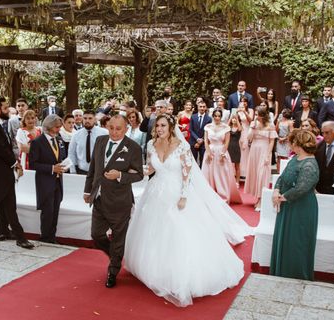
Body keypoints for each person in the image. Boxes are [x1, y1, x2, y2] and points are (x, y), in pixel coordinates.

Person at [124, 114, 250, 306]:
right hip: (155, 192)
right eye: (157, 125)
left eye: (163, 125)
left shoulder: (181, 146)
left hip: (177, 192)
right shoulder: (151, 145)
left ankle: (180, 274)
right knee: (154, 231)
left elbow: (187, 172)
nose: (159, 129)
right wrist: (131, 171)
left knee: (179, 230)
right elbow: (150, 169)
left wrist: (183, 196)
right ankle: (156, 269)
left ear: (171, 126)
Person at [83, 114, 144, 288]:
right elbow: (93, 167)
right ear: (107, 126)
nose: (114, 132)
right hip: (99, 199)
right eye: (111, 128)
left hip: (120, 201)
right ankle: (115, 255)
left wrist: (120, 176)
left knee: (118, 238)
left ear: (126, 129)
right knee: (96, 234)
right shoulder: (100, 141)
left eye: (118, 129)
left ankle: (113, 271)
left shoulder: (133, 148)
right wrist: (88, 190)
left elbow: (139, 174)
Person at [270, 129, 320, 280]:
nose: (289, 144)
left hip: (301, 208)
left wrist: (282, 197)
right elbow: (282, 177)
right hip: (287, 205)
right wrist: (276, 190)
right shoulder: (295, 158)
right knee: (284, 239)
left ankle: (295, 275)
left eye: (291, 142)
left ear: (298, 144)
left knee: (297, 243)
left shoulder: (310, 164)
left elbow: (301, 189)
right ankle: (281, 272)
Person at [0, 98, 34, 249]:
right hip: (0, 172)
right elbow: (0, 149)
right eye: (6, 108)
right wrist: (15, 163)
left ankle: (3, 231)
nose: (9, 110)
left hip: (3, 170)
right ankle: (20, 237)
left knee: (3, 202)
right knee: (9, 205)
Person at [30, 115, 67, 243]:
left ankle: (52, 236)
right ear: (49, 127)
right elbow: (33, 164)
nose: (59, 130)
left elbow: (60, 157)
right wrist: (52, 168)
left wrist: (64, 165)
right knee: (48, 211)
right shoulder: (37, 142)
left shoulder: (59, 140)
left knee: (55, 210)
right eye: (57, 127)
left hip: (58, 182)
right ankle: (45, 237)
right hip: (45, 183)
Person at [202, 109, 242, 203]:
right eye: (215, 116)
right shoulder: (207, 127)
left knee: (221, 175)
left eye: (219, 116)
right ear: (212, 116)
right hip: (210, 151)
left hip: (221, 151)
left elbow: (227, 142)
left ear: (221, 117)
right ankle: (209, 195)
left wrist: (223, 153)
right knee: (208, 174)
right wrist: (208, 152)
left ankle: (223, 196)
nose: (217, 118)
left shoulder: (226, 127)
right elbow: (205, 141)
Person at [245, 107, 277, 210]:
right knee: (255, 174)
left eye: (257, 114)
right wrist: (252, 127)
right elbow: (249, 138)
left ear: (262, 115)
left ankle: (261, 199)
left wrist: (268, 155)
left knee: (262, 174)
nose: (255, 116)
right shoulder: (254, 124)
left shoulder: (270, 125)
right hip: (254, 150)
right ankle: (258, 198)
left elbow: (272, 141)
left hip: (265, 150)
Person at [68, 110, 108, 174]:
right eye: (85, 118)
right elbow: (71, 153)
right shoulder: (76, 135)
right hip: (81, 171)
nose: (87, 121)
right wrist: (73, 170)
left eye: (90, 118)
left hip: (100, 171)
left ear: (95, 119)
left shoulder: (105, 133)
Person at [189, 100, 212, 167]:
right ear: (198, 107)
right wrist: (197, 139)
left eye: (203, 107)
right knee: (193, 160)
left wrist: (201, 141)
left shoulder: (209, 119)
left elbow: (208, 131)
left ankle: (202, 175)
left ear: (206, 108)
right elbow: (191, 129)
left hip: (203, 142)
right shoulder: (193, 117)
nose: (202, 108)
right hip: (193, 141)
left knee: (203, 161)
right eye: (200, 107)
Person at [237, 97, 253, 179]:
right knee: (238, 151)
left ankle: (245, 172)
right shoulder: (237, 110)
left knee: (245, 150)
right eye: (242, 101)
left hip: (247, 130)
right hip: (238, 131)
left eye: (245, 101)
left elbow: (251, 120)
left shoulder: (250, 110)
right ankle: (237, 171)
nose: (243, 103)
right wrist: (237, 112)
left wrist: (244, 112)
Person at [228, 114, 242, 184]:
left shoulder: (239, 127)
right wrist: (230, 118)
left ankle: (237, 182)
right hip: (229, 147)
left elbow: (240, 129)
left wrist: (237, 118)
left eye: (235, 118)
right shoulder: (228, 127)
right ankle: (230, 181)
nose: (234, 120)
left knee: (237, 166)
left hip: (236, 148)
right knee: (228, 165)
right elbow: (225, 127)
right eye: (233, 118)